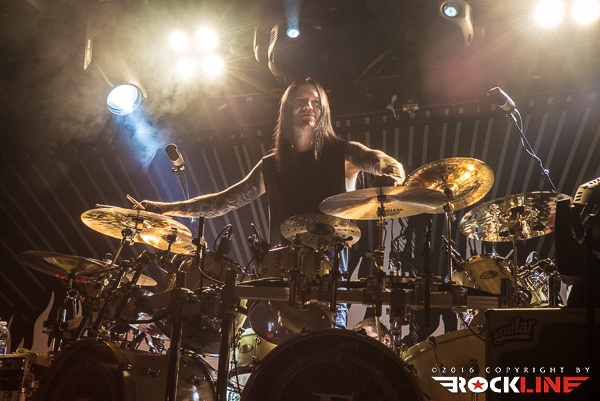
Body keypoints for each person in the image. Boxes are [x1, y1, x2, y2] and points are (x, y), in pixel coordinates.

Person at [141, 77, 406, 327]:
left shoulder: (344, 152)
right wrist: (166, 209)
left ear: (324, 111)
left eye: (315, 102)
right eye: (301, 101)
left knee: (326, 350)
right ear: (288, 110)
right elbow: (224, 201)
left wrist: (392, 176)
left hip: (329, 284)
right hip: (279, 283)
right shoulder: (271, 165)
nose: (308, 106)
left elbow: (385, 162)